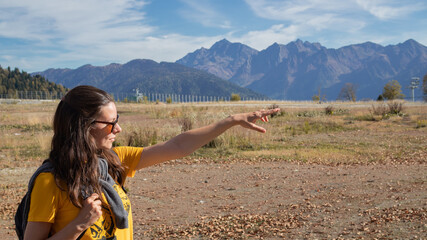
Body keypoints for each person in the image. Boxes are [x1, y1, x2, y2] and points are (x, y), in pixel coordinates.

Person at [24, 85, 280, 240]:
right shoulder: (51, 182)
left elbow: (178, 146)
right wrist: (80, 223)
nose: (119, 128)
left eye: (118, 119)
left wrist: (232, 120)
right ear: (83, 127)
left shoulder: (113, 163)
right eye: (110, 123)